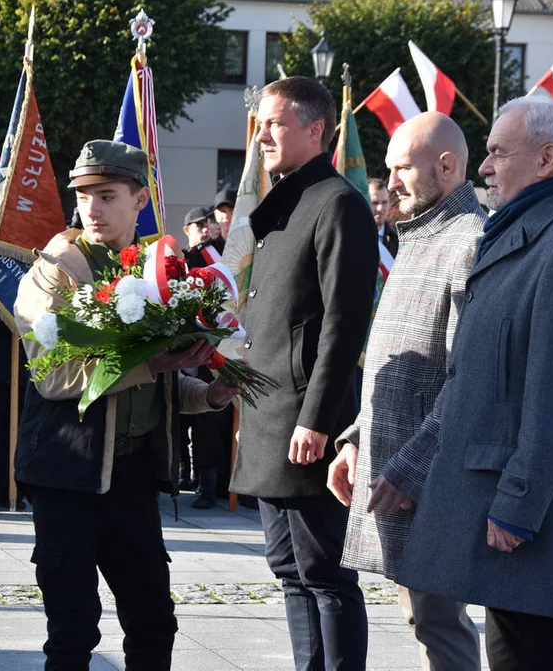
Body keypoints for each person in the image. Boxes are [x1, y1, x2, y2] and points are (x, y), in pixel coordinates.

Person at [395, 98, 553, 671]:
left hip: (540, 524)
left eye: (498, 152)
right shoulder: (525, 237)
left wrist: (518, 505)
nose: (485, 168)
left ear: (547, 159)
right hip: (510, 522)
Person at [14, 139, 239, 670]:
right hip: (68, 474)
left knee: (154, 622)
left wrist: (204, 394)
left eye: (107, 195)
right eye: (84, 195)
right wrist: (154, 365)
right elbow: (55, 374)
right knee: (72, 632)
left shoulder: (158, 267)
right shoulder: (55, 270)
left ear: (141, 200)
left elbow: (153, 384)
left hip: (133, 474)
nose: (91, 208)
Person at [229, 76, 378, 670]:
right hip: (271, 417)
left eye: (275, 123)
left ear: (315, 130)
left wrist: (318, 421)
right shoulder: (290, 197)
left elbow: (343, 326)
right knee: (290, 570)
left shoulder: (337, 203)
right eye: (260, 123)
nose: (261, 135)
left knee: (327, 574)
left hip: (305, 424)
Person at [327, 112, 485, 670]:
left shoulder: (468, 241)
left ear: (446, 167)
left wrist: (411, 467)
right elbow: (397, 365)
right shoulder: (420, 233)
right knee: (421, 619)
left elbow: (469, 378)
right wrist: (354, 439)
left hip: (431, 476)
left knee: (437, 621)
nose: (389, 182)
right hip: (393, 462)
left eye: (401, 168)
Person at [368, 178, 398, 258]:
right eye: (374, 203)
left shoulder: (399, 240)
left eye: (384, 202)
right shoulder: (352, 237)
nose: (380, 208)